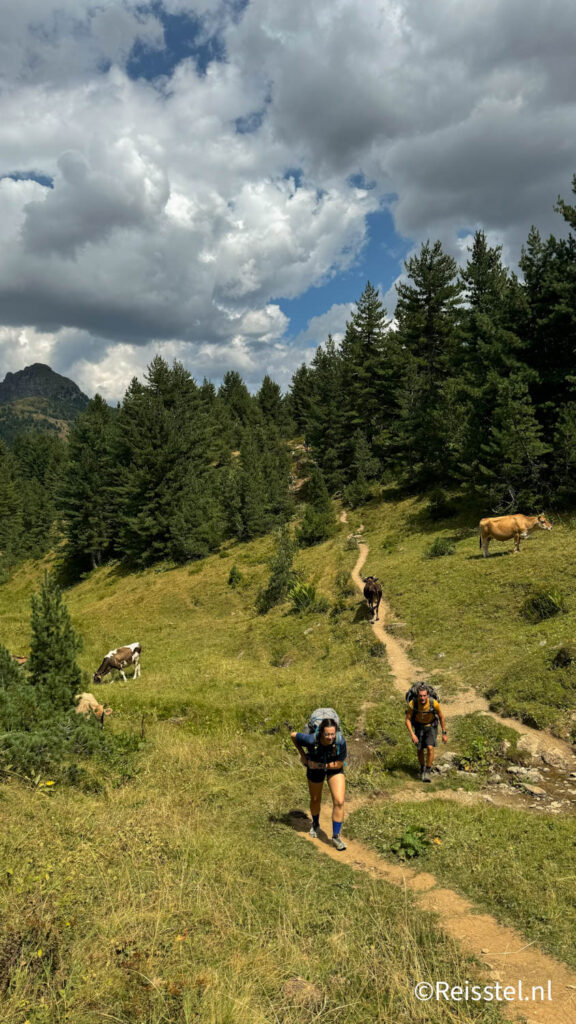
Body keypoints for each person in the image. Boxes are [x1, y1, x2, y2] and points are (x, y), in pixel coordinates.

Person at [290, 718, 347, 850]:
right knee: (315, 799)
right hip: (314, 768)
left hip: (333, 768)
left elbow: (339, 763)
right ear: (321, 732)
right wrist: (303, 755)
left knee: (339, 801)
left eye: (333, 734)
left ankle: (336, 837)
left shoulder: (340, 741)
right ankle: (315, 824)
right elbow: (293, 735)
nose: (330, 737)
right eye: (327, 734)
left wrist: (321, 765)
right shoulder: (311, 739)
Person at [405, 684, 447, 782]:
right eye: (420, 696)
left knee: (430, 747)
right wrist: (412, 734)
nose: (422, 698)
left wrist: (444, 733)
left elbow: (441, 717)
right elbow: (407, 719)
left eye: (424, 695)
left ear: (428, 695)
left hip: (431, 727)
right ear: (418, 696)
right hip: (419, 727)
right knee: (420, 749)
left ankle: (427, 771)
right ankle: (422, 768)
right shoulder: (413, 704)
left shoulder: (434, 703)